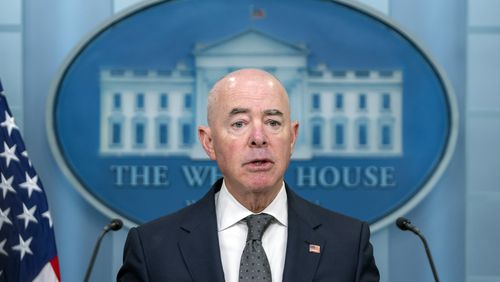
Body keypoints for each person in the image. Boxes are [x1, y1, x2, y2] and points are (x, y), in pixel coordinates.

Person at [117, 69, 380, 281]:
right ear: (209, 142)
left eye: (273, 123)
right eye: (239, 123)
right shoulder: (152, 248)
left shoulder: (348, 244)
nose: (258, 138)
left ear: (292, 138)